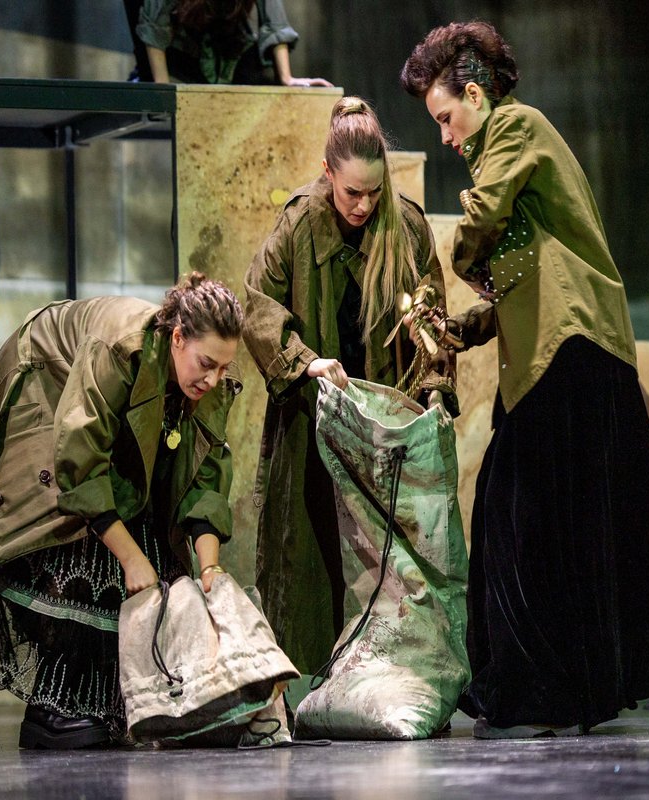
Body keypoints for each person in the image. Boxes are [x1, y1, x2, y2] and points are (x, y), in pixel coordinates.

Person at [399, 21, 649, 738]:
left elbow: (483, 224)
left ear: (475, 94)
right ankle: (546, 688)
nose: (445, 136)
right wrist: (463, 326)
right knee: (536, 521)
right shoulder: (515, 154)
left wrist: (439, 269)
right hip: (563, 347)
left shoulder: (514, 127)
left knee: (524, 519)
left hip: (571, 347)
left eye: (445, 116)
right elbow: (526, 269)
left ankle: (540, 690)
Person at [0, 273, 245, 749]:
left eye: (224, 367)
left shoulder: (208, 380)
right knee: (74, 534)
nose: (214, 378)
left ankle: (108, 704)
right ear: (178, 337)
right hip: (47, 383)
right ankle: (56, 707)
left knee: (150, 538)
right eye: (206, 364)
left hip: (100, 415)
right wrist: (131, 558)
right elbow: (79, 464)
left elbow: (205, 480)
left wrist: (211, 569)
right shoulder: (117, 347)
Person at [243, 96, 457, 676]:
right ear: (327, 173)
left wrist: (436, 390)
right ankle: (310, 685)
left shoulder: (405, 225)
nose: (364, 205)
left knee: (393, 561)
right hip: (314, 418)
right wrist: (305, 362)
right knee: (306, 558)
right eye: (351, 193)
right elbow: (256, 306)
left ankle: (393, 678)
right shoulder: (297, 224)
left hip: (386, 426)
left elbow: (432, 320)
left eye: (374, 192)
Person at [130, 0, 331, 86]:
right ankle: (144, 73)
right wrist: (163, 88)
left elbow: (275, 21)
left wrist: (287, 78)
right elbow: (154, 24)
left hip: (228, 46)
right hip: (181, 48)